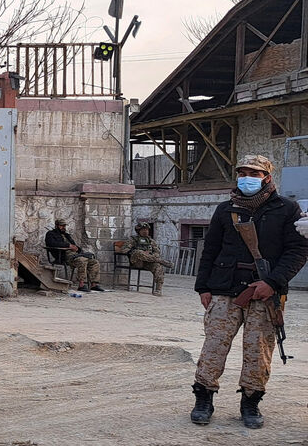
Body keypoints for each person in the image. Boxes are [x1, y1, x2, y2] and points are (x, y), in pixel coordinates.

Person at [191, 154, 308, 429]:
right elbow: (210, 249)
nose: (247, 178)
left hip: (266, 292)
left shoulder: (287, 209)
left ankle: (251, 402)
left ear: (267, 177)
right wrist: (203, 287)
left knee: (258, 350)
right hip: (224, 288)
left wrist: (273, 282)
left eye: (254, 174)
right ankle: (203, 399)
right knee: (213, 346)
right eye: (243, 172)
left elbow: (298, 251)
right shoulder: (225, 209)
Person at [44, 219, 105, 292]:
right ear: (56, 226)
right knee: (82, 261)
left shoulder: (66, 235)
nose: (63, 227)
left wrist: (77, 249)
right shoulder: (50, 234)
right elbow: (51, 244)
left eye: (64, 226)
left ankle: (94, 284)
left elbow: (74, 245)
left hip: (75, 255)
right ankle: (81, 284)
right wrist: (68, 245)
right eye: (61, 226)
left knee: (94, 262)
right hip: (64, 256)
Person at [127, 221, 173, 296]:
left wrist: (151, 255)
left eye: (147, 230)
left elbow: (157, 252)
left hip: (148, 263)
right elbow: (125, 250)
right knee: (139, 252)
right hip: (137, 261)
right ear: (138, 231)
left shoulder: (151, 241)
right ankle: (161, 261)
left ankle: (158, 289)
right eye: (143, 230)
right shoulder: (133, 240)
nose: (145, 231)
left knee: (158, 266)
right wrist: (140, 252)